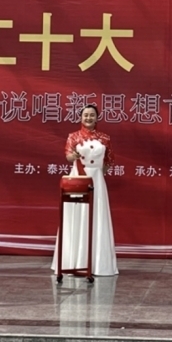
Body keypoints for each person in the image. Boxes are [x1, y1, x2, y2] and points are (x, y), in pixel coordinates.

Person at [52, 104, 118, 276]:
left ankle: (98, 264)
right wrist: (73, 157)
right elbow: (68, 156)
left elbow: (109, 161)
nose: (88, 118)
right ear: (81, 117)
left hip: (97, 180)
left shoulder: (105, 138)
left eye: (92, 115)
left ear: (97, 118)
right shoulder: (73, 136)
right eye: (85, 115)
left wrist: (98, 174)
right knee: (77, 215)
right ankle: (73, 262)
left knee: (97, 216)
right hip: (78, 178)